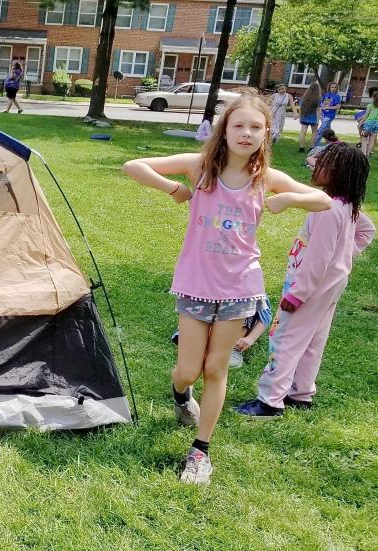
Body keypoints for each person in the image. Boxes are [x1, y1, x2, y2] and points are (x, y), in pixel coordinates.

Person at [122, 93, 332, 484]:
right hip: (196, 286)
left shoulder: (264, 178)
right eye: (239, 125)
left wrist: (287, 199)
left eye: (256, 127)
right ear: (224, 130)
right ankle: (181, 395)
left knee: (216, 368)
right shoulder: (200, 167)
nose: (246, 133)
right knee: (188, 370)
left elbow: (321, 200)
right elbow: (132, 165)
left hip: (240, 287)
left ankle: (200, 452)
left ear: (267, 134)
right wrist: (173, 189)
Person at [236, 144, 374, 418]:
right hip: (330, 286)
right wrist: (342, 260)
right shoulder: (345, 205)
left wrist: (297, 294)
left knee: (286, 338)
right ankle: (301, 393)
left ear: (336, 171)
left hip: (310, 287)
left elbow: (317, 260)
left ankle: (270, 401)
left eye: (321, 162)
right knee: (312, 340)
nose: (312, 163)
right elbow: (367, 231)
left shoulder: (328, 209)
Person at [171, 298, 272, 368]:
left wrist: (251, 338)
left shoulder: (249, 285)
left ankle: (232, 348)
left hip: (235, 323)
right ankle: (196, 339)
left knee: (240, 307)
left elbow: (265, 316)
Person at [313, 82, 343, 147]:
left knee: (321, 129)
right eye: (332, 87)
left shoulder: (337, 96)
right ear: (329, 87)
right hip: (323, 114)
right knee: (328, 130)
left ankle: (315, 144)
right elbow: (321, 103)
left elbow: (337, 107)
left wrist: (328, 107)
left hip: (330, 115)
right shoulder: (326, 95)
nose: (333, 89)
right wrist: (321, 109)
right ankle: (333, 142)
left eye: (335, 87)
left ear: (337, 88)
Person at [297, 82, 322, 152]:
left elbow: (300, 108)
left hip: (304, 117)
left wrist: (300, 117)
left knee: (303, 132)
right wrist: (317, 120)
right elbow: (317, 110)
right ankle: (311, 147)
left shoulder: (304, 97)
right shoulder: (318, 98)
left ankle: (301, 147)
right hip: (313, 118)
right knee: (314, 132)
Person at [360, 92, 378, 157]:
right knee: (372, 140)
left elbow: (366, 115)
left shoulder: (370, 105)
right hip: (377, 124)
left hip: (369, 123)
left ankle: (363, 154)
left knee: (364, 139)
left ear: (373, 98)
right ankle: (367, 154)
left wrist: (361, 123)